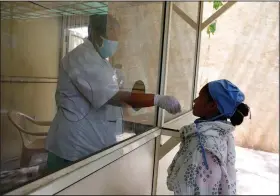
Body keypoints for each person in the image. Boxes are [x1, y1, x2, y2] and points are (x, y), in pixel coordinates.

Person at [45, 14, 181, 173]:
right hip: (74, 144)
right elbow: (113, 97)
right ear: (96, 34)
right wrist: (157, 99)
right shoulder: (82, 57)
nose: (116, 42)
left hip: (92, 141)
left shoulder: (101, 61)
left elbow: (113, 95)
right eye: (113, 37)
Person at [167, 79, 250, 195]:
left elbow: (202, 189)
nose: (195, 100)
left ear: (211, 105)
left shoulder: (204, 145)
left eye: (200, 97)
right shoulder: (222, 133)